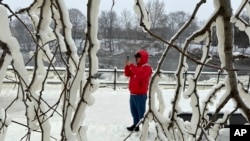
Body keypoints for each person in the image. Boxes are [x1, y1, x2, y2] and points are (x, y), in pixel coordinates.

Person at [124, 50, 152, 132]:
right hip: (133, 94)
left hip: (141, 95)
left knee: (141, 113)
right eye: (136, 57)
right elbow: (127, 74)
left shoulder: (147, 68)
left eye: (138, 57)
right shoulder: (136, 68)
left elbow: (140, 74)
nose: (137, 59)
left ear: (143, 58)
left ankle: (144, 127)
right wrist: (127, 66)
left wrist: (131, 65)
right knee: (134, 111)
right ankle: (136, 125)